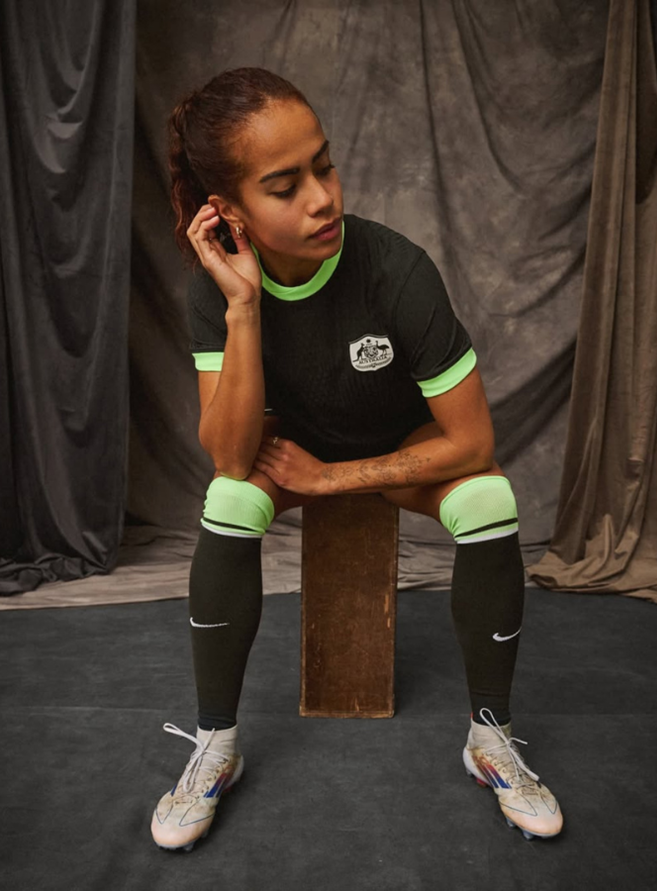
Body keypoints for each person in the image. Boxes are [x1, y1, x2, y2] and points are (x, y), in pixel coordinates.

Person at [151, 67, 563, 851]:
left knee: (488, 496)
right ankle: (215, 746)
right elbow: (231, 457)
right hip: (287, 452)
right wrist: (243, 307)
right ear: (229, 210)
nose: (322, 197)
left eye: (324, 166)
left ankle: (490, 738)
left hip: (400, 452)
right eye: (285, 186)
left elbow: (472, 441)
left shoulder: (394, 269)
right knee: (229, 499)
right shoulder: (218, 287)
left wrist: (333, 477)